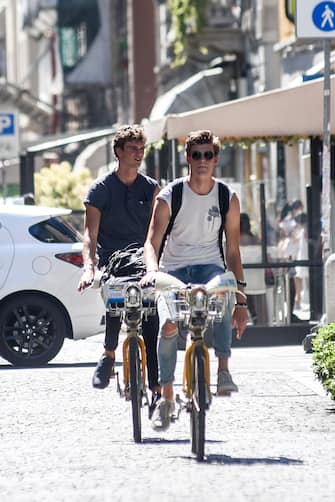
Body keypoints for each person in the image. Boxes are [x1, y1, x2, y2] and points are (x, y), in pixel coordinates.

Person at [140, 129, 248, 431]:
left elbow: (234, 251)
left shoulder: (228, 197)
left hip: (210, 268)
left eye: (208, 155)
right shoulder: (170, 195)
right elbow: (152, 242)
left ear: (216, 159)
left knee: (224, 290)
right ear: (187, 157)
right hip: (173, 270)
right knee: (169, 325)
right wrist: (152, 270)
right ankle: (166, 397)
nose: (203, 160)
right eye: (197, 155)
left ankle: (223, 370)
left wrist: (241, 300)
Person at [77, 124, 161, 412]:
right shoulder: (101, 189)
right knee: (115, 297)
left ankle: (155, 386)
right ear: (118, 152)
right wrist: (89, 268)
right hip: (113, 259)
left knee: (150, 313)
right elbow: (90, 234)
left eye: (141, 149)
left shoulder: (151, 188)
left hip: (143, 259)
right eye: (132, 149)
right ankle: (109, 354)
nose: (138, 154)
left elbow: (159, 231)